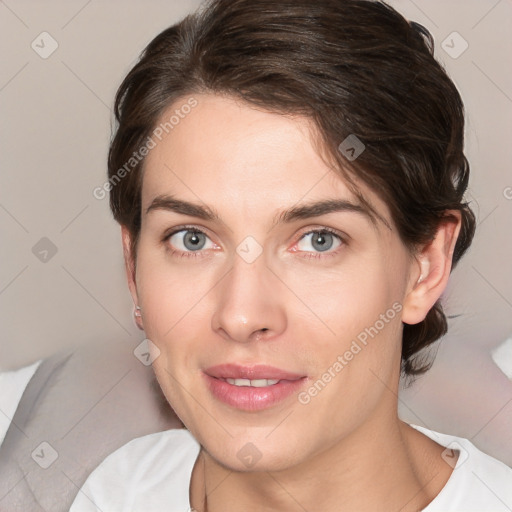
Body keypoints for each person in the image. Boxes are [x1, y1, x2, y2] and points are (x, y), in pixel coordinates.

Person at [70, 0, 512, 510]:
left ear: (425, 266)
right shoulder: (117, 492)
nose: (241, 315)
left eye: (318, 240)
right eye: (192, 238)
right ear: (134, 268)